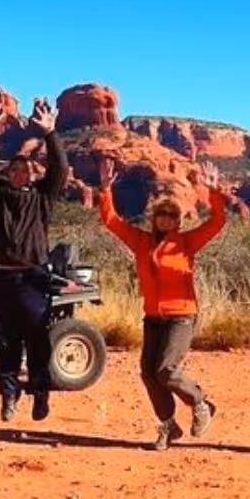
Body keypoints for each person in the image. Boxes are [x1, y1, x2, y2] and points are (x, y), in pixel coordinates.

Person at [97, 158, 227, 450]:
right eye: (161, 214)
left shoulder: (187, 242)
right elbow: (111, 221)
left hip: (181, 315)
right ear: (154, 218)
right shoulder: (140, 241)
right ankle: (168, 426)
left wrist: (213, 192)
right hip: (153, 316)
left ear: (178, 221)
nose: (166, 219)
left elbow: (217, 222)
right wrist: (105, 189)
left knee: (166, 370)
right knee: (149, 373)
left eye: (172, 215)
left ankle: (201, 402)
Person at [0, 97, 69, 424]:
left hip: (33, 280)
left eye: (25, 168)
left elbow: (60, 170)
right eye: (14, 168)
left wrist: (51, 134)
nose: (19, 171)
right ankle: (8, 395)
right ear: (7, 172)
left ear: (32, 174)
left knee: (37, 340)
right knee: (7, 342)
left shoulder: (42, 198)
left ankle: (40, 393)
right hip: (2, 279)